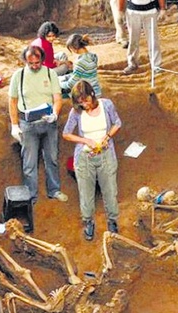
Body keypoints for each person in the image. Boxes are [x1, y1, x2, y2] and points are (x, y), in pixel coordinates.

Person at [62, 80, 122, 241]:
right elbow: (66, 133)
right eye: (81, 103)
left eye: (86, 101)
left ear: (92, 94)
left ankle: (112, 221)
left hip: (106, 154)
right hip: (85, 158)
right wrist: (84, 141)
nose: (85, 105)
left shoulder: (106, 105)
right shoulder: (76, 113)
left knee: (110, 190)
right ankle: (88, 222)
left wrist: (107, 137)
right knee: (86, 193)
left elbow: (117, 123)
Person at [8, 45, 68, 203]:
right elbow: (12, 102)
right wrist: (14, 125)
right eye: (31, 63)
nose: (34, 66)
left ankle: (54, 190)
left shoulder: (50, 74)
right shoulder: (18, 76)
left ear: (42, 60)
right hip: (28, 125)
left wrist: (55, 113)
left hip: (48, 123)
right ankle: (31, 196)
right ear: (25, 61)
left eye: (37, 63)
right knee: (29, 163)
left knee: (52, 158)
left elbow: (57, 98)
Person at [118, 0, 166, 75]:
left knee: (153, 40)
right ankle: (132, 64)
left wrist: (163, 9)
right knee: (133, 39)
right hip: (133, 12)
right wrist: (120, 11)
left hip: (151, 11)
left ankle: (156, 65)